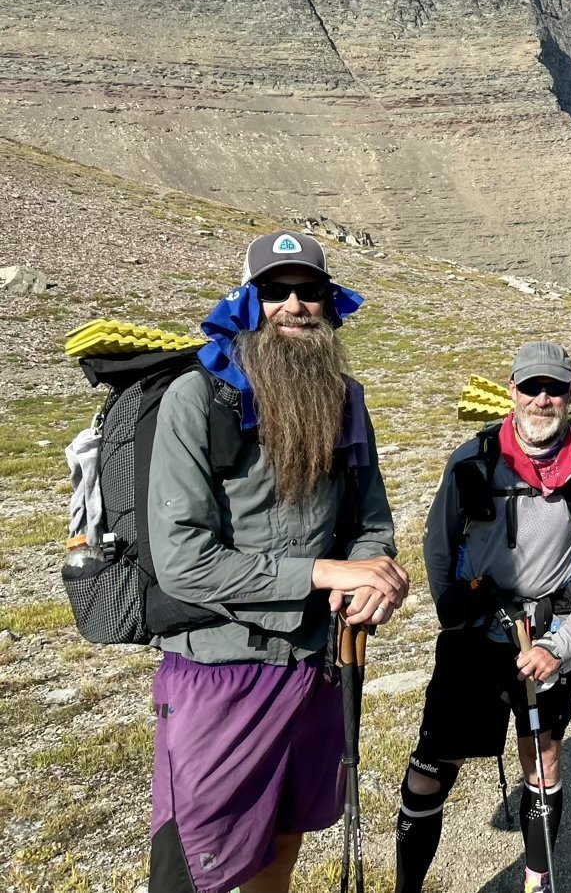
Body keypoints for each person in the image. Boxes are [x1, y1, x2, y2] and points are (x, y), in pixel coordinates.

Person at [146, 230, 408, 893]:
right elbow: (183, 562)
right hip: (221, 671)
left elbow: (369, 524)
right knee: (195, 869)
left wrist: (375, 573)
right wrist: (324, 573)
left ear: (328, 302)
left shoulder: (345, 399)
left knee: (282, 844)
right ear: (249, 299)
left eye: (309, 291)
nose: (294, 305)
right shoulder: (196, 399)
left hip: (316, 664)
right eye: (275, 290)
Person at [396, 340, 571, 893]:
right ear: (512, 391)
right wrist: (452, 611)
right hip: (475, 635)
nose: (542, 399)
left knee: (543, 761)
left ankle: (538, 879)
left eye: (554, 388)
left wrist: (562, 643)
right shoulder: (472, 458)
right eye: (531, 387)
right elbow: (438, 542)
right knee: (432, 765)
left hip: (547, 636)